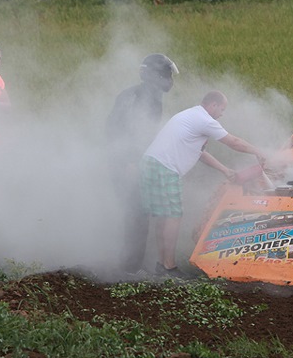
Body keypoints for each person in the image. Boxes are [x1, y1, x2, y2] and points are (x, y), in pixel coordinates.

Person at [140, 91, 265, 278]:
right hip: (165, 168)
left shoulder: (190, 115)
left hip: (151, 163)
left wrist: (225, 170)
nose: (222, 114)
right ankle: (169, 267)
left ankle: (162, 264)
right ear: (213, 105)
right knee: (173, 216)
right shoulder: (205, 120)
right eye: (222, 109)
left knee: (163, 216)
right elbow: (233, 142)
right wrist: (257, 151)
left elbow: (199, 152)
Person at [106, 54, 180, 277]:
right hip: (127, 162)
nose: (170, 80)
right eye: (166, 75)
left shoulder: (148, 94)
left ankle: (134, 264)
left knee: (140, 212)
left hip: (134, 160)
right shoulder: (141, 97)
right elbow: (121, 131)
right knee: (136, 213)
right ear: (153, 76)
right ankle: (129, 268)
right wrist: (129, 161)